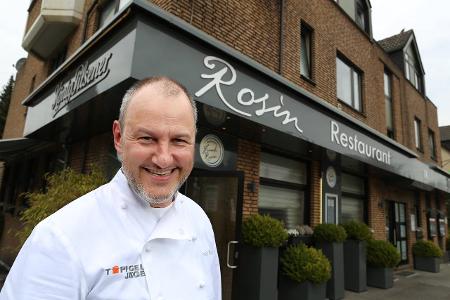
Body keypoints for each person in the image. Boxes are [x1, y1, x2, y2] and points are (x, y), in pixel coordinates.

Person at [0, 77, 221, 299]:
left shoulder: (199, 220)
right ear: (118, 137)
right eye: (147, 138)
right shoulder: (59, 239)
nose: (163, 159)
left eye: (179, 140)